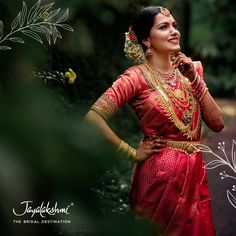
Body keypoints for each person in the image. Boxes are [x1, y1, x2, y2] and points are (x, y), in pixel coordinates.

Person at [84, 6, 224, 236]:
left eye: (175, 26)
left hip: (195, 177)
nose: (173, 31)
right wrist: (129, 152)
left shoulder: (192, 69)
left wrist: (195, 79)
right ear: (147, 40)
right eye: (164, 27)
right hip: (157, 181)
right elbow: (92, 118)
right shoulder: (135, 78)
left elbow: (217, 123)